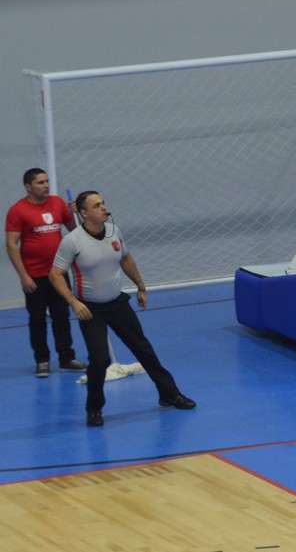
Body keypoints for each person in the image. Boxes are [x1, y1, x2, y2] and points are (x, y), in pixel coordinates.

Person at [49, 191, 195, 427]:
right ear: (84, 213)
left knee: (143, 349)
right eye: (97, 205)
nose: (103, 208)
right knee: (99, 360)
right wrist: (73, 302)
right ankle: (94, 409)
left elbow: (126, 259)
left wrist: (140, 287)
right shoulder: (72, 241)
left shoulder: (114, 231)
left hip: (117, 303)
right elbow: (55, 275)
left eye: (103, 203)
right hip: (90, 309)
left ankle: (169, 394)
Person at [5, 168, 86, 378]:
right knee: (37, 319)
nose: (46, 185)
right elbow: (12, 245)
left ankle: (66, 358)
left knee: (62, 315)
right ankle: (42, 360)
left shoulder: (58, 203)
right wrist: (23, 276)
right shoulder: (18, 210)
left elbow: (75, 230)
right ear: (28, 187)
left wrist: (77, 213)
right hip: (34, 275)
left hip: (58, 273)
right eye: (40, 182)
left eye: (47, 181)